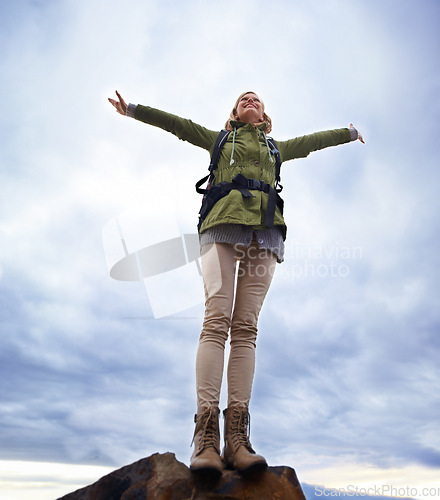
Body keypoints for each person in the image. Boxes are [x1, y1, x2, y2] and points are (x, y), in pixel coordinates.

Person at [108, 90, 364, 477]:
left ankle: (237, 439)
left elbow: (313, 143)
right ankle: (206, 439)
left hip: (266, 233)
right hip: (221, 226)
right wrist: (134, 110)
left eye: (257, 99)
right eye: (244, 98)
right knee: (216, 321)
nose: (251, 100)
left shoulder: (276, 149)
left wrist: (348, 133)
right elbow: (177, 125)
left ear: (264, 116)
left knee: (246, 329)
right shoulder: (219, 140)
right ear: (235, 112)